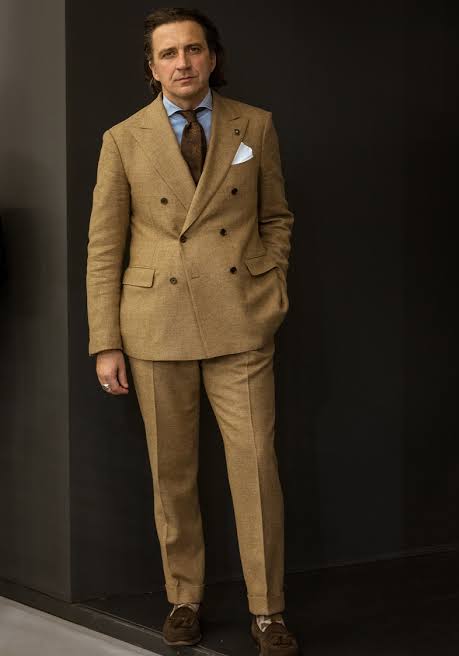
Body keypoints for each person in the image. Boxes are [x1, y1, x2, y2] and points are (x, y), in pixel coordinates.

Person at [86, 7, 298, 654]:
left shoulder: (253, 125)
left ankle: (268, 612)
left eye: (193, 49)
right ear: (152, 68)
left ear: (212, 57)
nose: (183, 62)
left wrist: (269, 280)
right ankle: (184, 597)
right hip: (156, 324)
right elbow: (105, 246)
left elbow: (276, 216)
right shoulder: (122, 139)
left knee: (256, 468)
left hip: (241, 317)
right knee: (171, 473)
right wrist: (105, 341)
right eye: (169, 53)